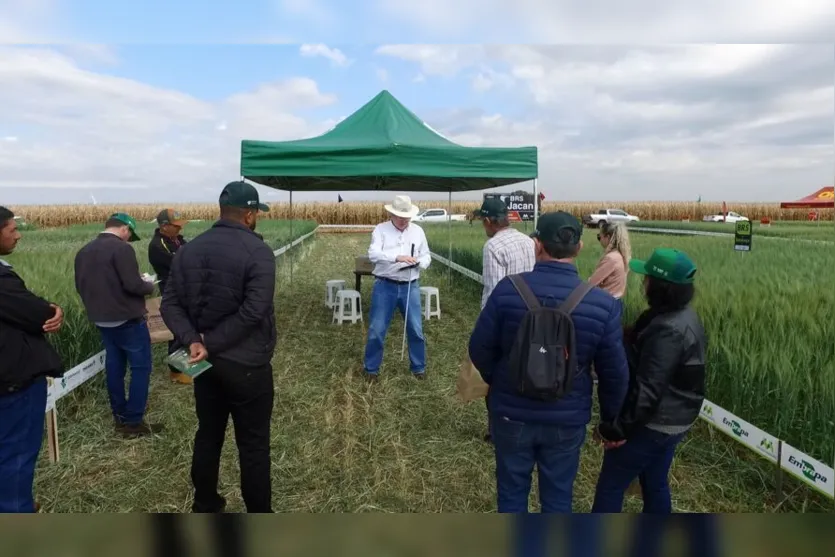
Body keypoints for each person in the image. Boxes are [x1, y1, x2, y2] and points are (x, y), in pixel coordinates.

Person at [468, 211, 629, 513]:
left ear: (536, 244)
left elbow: (479, 349)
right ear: (579, 248)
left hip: (510, 415)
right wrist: (610, 423)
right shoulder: (602, 305)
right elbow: (614, 373)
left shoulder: (507, 291)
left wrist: (503, 379)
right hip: (566, 420)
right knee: (557, 498)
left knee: (512, 494)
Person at [160, 180, 276, 513]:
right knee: (253, 444)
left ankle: (205, 504)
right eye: (257, 214)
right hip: (247, 365)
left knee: (208, 433)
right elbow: (255, 311)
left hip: (203, 364)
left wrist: (194, 341)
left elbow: (170, 305)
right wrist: (206, 343)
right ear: (250, 214)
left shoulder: (188, 250)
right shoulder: (258, 252)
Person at [591, 248, 706, 513]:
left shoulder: (667, 330)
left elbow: (649, 389)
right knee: (654, 481)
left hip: (657, 423)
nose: (643, 282)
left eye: (648, 278)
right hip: (677, 419)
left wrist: (619, 430)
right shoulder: (683, 316)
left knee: (611, 484)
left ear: (660, 286)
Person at [0, 206, 64, 513]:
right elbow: (37, 314)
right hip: (13, 382)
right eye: (11, 229)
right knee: (16, 455)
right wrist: (52, 310)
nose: (18, 234)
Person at [74, 212, 160, 438]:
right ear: (125, 229)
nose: (128, 239)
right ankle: (133, 423)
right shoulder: (122, 249)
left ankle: (119, 415)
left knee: (115, 368)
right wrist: (148, 284)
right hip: (127, 320)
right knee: (141, 368)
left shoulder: (84, 251)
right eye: (129, 234)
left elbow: (80, 286)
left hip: (101, 320)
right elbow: (133, 286)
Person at [475, 197, 535, 444]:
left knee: (499, 375)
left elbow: (494, 291)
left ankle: (496, 429)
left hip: (506, 320)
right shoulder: (527, 241)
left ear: (488, 221)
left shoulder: (493, 247)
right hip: (532, 316)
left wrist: (485, 326)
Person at [363, 195, 431, 381]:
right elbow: (373, 254)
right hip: (385, 285)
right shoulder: (380, 230)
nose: (404, 220)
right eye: (401, 217)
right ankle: (371, 369)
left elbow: (426, 255)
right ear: (392, 214)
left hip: (411, 285)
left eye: (407, 217)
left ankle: (419, 367)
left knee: (416, 329)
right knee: (377, 329)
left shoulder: (418, 231)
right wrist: (397, 257)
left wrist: (419, 262)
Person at [148, 208, 191, 386]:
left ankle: (188, 365)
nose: (180, 229)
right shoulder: (157, 246)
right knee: (176, 331)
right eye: (176, 226)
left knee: (188, 328)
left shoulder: (178, 239)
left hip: (186, 290)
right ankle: (176, 372)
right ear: (164, 226)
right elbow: (180, 264)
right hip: (172, 292)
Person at [588, 221, 631, 303]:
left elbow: (591, 283)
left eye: (599, 237)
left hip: (606, 302)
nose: (599, 240)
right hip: (616, 301)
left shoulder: (611, 258)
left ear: (607, 237)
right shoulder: (620, 255)